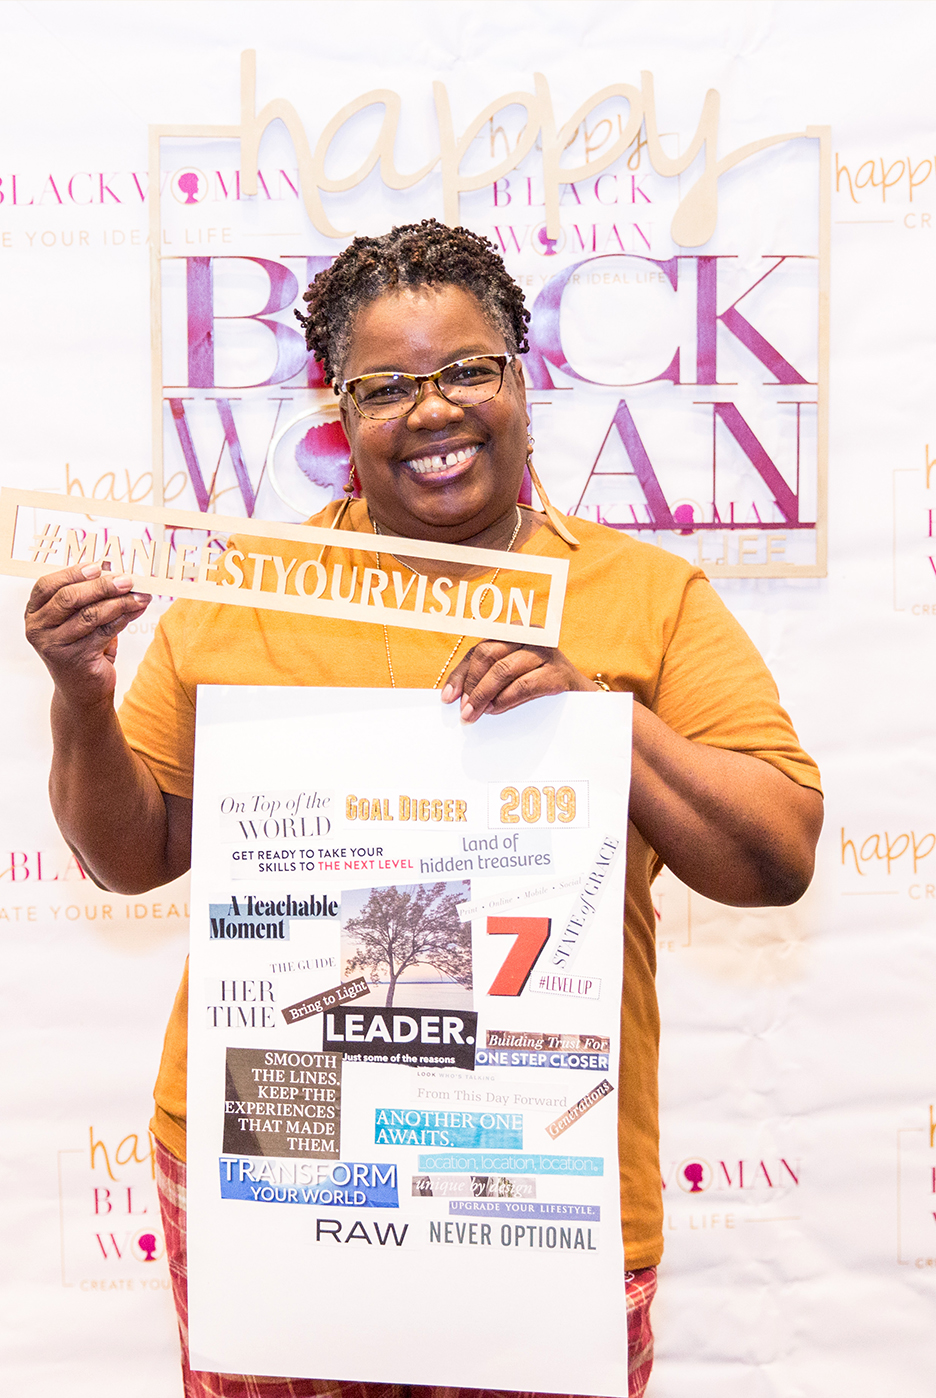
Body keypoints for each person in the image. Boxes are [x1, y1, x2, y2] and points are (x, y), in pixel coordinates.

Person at [24, 219, 823, 1398]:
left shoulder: (643, 596)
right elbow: (133, 858)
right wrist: (82, 699)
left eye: (465, 369)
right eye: (386, 385)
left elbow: (778, 854)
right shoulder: (245, 592)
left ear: (520, 376)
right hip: (275, 1161)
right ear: (335, 411)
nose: (433, 410)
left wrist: (596, 713)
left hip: (535, 1173)